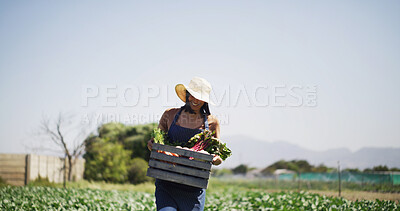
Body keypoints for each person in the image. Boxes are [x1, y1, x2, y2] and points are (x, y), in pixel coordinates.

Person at [147, 77, 222, 211]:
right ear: (187, 95)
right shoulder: (169, 114)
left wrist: (216, 159)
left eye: (200, 97)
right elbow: (156, 142)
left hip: (194, 187)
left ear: (205, 100)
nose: (195, 100)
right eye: (192, 95)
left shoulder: (212, 122)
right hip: (167, 183)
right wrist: (153, 145)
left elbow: (216, 152)